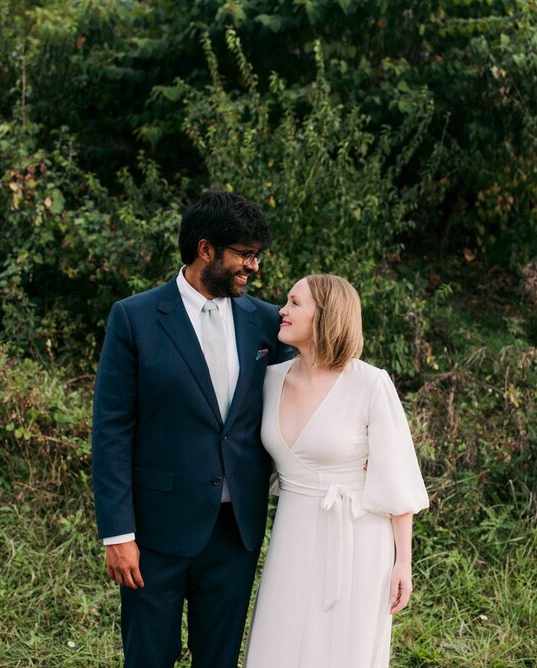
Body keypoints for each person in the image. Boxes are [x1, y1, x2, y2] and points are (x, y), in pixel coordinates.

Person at [91, 191, 292, 668]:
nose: (254, 266)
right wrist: (117, 534)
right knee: (148, 659)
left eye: (257, 255)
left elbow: (303, 398)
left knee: (219, 661)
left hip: (235, 533)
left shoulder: (267, 322)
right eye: (245, 255)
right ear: (207, 250)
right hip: (155, 533)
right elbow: (111, 429)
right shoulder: (134, 317)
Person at [244, 274, 429, 668]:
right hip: (291, 534)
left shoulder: (370, 384)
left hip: (357, 538)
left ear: (325, 316)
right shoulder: (271, 379)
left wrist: (403, 563)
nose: (282, 310)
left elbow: (397, 478)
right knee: (279, 640)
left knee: (341, 650)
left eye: (295, 303)